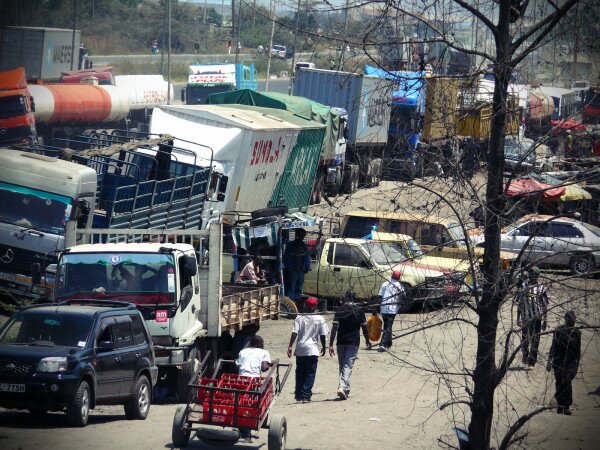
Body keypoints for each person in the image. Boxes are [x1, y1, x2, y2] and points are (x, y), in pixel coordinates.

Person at [328, 290, 371, 400]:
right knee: (347, 366)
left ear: (346, 298)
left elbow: (334, 328)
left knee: (343, 365)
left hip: (341, 341)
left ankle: (345, 389)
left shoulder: (340, 309)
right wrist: (367, 340)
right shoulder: (359, 310)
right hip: (353, 342)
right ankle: (342, 387)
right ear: (354, 298)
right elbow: (364, 327)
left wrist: (331, 343)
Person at [287, 296, 328, 403]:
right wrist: (324, 346)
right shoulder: (320, 318)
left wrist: (290, 346)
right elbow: (323, 335)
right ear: (315, 306)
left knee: (300, 371)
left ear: (306, 305)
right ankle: (305, 395)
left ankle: (299, 394)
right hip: (312, 350)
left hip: (300, 349)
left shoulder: (299, 317)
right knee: (310, 373)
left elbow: (294, 333)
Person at [235, 335, 273, 441]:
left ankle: (240, 428)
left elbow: (238, 365)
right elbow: (264, 368)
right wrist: (269, 364)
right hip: (253, 381)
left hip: (241, 380)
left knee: (240, 402)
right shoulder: (264, 352)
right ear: (261, 343)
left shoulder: (243, 351)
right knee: (250, 404)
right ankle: (247, 433)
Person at [547, 311, 581, 415]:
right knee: (559, 381)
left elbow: (578, 351)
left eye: (573, 319)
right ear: (566, 320)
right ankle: (559, 404)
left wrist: (576, 365)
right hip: (558, 360)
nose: (572, 321)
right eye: (570, 319)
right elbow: (553, 346)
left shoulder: (577, 333)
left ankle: (566, 406)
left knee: (566, 380)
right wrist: (549, 360)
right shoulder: (558, 330)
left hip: (571, 362)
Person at [515, 267, 548, 369]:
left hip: (537, 317)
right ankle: (525, 355)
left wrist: (545, 320)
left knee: (535, 339)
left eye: (534, 274)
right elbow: (519, 303)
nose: (532, 275)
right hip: (525, 317)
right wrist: (518, 318)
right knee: (525, 338)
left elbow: (544, 304)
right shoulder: (524, 286)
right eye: (531, 273)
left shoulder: (541, 288)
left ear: (538, 276)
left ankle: (532, 362)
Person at [378, 270, 406, 352]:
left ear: (391, 275)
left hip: (383, 308)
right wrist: (401, 305)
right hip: (392, 309)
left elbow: (379, 296)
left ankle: (388, 343)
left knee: (387, 325)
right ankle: (382, 344)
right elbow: (403, 298)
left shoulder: (385, 284)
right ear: (399, 277)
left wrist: (377, 307)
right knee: (388, 326)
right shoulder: (400, 287)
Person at [283, 229, 311, 301]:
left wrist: (306, 268)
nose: (302, 237)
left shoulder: (304, 246)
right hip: (293, 271)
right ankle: (290, 305)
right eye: (301, 235)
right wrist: (290, 268)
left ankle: (296, 303)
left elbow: (307, 258)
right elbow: (286, 257)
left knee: (298, 289)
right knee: (291, 288)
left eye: (303, 235)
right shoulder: (290, 245)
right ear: (297, 235)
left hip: (301, 272)